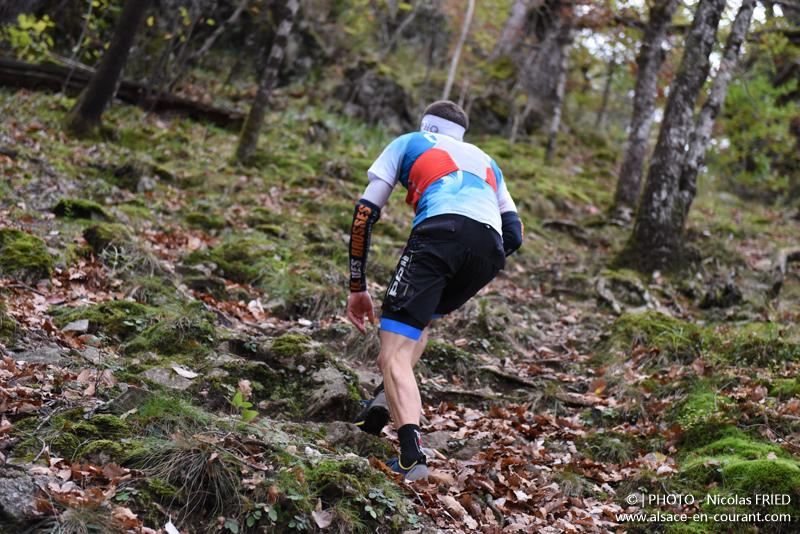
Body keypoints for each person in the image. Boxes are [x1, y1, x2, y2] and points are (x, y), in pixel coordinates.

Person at [346, 101, 523, 481]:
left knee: (390, 354)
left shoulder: (410, 141)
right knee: (417, 326)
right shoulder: (488, 161)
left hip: (439, 235)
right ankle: (383, 400)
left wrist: (357, 285)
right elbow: (515, 234)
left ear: (427, 124)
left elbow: (365, 214)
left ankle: (412, 456)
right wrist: (478, 257)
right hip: (488, 253)